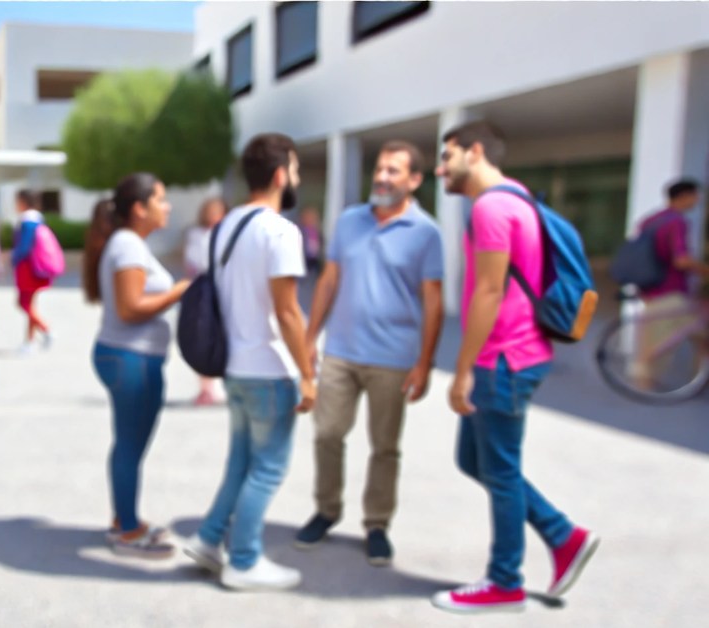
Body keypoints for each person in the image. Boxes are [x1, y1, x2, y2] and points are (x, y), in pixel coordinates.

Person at [431, 120, 597, 614]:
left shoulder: (492, 207)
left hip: (502, 359)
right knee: (476, 461)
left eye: (447, 156)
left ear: (474, 152)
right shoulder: (519, 198)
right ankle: (563, 536)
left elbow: (488, 290)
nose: (440, 169)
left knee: (500, 471)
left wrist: (461, 371)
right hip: (518, 354)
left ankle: (505, 583)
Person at [294, 141, 444, 567]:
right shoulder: (348, 221)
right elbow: (328, 280)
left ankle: (377, 524)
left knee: (384, 447)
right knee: (326, 434)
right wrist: (308, 338)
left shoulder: (426, 233)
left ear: (414, 180)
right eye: (380, 168)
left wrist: (425, 363)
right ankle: (326, 510)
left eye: (394, 171)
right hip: (341, 351)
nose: (382, 177)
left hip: (393, 359)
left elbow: (433, 302)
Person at [182, 133, 316, 591]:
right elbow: (288, 311)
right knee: (268, 469)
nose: (295, 178)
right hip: (269, 370)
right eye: (295, 170)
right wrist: (309, 375)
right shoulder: (280, 231)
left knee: (240, 463)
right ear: (280, 175)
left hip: (234, 367)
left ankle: (208, 538)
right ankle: (244, 560)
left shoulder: (225, 227)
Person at [83, 175, 191, 558]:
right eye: (161, 199)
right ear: (139, 208)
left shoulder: (130, 244)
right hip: (131, 357)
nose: (168, 206)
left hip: (132, 357)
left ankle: (124, 519)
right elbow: (130, 309)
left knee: (131, 444)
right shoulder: (128, 244)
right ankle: (127, 532)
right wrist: (181, 290)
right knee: (130, 445)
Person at [631, 179, 709, 389]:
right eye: (696, 195)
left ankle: (643, 381)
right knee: (686, 333)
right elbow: (681, 259)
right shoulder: (677, 222)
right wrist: (704, 270)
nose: (698, 200)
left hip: (649, 288)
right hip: (670, 289)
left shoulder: (650, 220)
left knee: (654, 334)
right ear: (684, 196)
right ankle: (697, 381)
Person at [184, 196, 228, 406]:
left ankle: (214, 385)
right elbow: (194, 261)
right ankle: (205, 386)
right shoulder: (197, 235)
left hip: (221, 291)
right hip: (203, 292)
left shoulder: (226, 234)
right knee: (202, 338)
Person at [10, 189, 52, 352]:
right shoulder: (39, 219)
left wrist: (13, 258)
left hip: (27, 267)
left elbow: (24, 247)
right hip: (36, 266)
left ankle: (46, 329)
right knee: (30, 304)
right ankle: (29, 342)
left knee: (23, 303)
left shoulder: (26, 220)